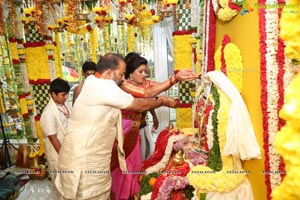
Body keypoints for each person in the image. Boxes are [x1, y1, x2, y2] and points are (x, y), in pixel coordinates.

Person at [55, 53, 195, 200]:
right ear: (109, 72)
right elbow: (140, 105)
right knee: (88, 194)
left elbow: (148, 90)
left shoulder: (93, 80)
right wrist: (163, 101)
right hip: (84, 157)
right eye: (121, 74)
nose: (123, 78)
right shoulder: (104, 86)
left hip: (89, 153)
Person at [110, 53, 197, 200]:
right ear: (130, 73)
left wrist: (184, 84)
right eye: (141, 71)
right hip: (123, 131)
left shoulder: (143, 83)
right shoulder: (125, 85)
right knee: (123, 166)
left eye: (145, 72)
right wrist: (174, 80)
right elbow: (147, 93)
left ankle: (132, 194)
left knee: (135, 164)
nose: (144, 75)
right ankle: (120, 195)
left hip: (134, 130)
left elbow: (159, 87)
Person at [40, 78, 71, 182]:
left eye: (67, 94)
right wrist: (64, 157)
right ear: (53, 94)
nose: (66, 97)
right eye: (63, 95)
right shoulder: (48, 113)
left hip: (68, 148)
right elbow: (53, 139)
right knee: (61, 182)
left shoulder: (65, 105)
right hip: (58, 153)